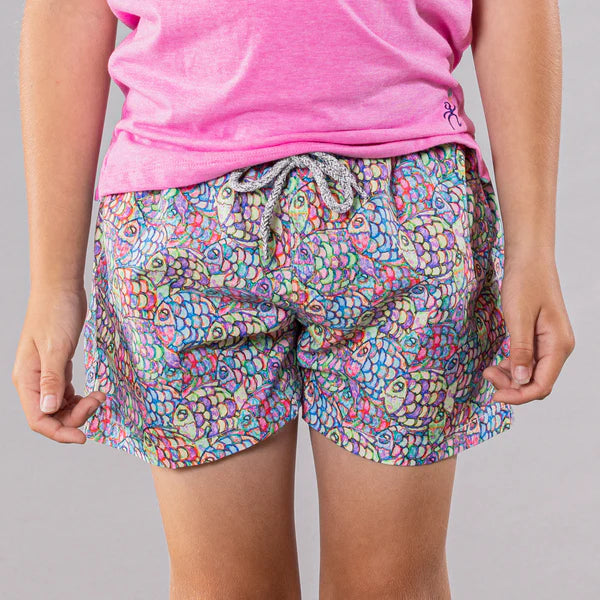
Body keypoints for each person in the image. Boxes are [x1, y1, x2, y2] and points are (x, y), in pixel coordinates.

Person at [13, 0, 575, 598]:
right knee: (222, 589)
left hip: (404, 205)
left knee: (392, 586)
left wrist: (533, 250)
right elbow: (65, 11)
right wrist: (53, 284)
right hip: (183, 224)